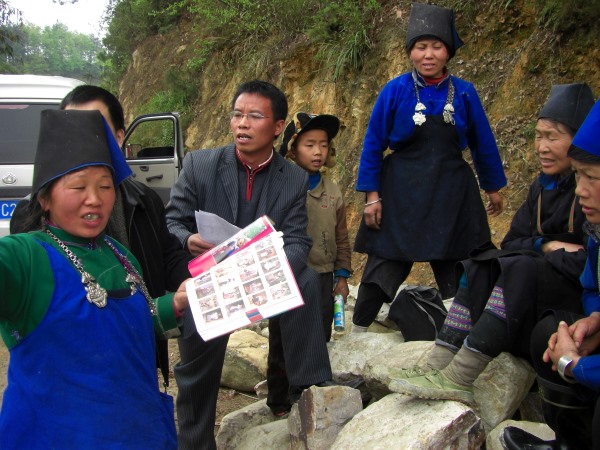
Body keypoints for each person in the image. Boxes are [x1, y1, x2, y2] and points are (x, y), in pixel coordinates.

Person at [389, 83, 595, 405]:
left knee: (521, 268)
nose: (541, 146)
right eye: (538, 135)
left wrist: (536, 253)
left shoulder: (590, 194)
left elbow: (588, 264)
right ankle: (438, 364)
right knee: (483, 261)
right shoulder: (539, 189)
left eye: (553, 136)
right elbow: (511, 242)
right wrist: (547, 246)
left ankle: (461, 376)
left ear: (580, 141)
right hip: (535, 293)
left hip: (571, 303)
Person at [0, 109, 190, 448]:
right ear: (44, 198)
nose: (95, 198)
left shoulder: (120, 253)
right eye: (78, 186)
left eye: (105, 186)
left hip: (138, 431)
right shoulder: (25, 255)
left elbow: (136, 323)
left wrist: (175, 302)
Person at [165, 80, 334, 449]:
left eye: (254, 116)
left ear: (276, 127)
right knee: (196, 371)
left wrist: (261, 268)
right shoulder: (201, 164)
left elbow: (298, 240)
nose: (242, 123)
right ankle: (195, 443)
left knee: (305, 276)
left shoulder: (293, 178)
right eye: (237, 115)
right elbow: (172, 222)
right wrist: (188, 239)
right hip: (211, 280)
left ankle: (310, 382)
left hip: (260, 276)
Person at [351, 2, 507, 333]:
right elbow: (373, 144)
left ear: (448, 52)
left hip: (451, 192)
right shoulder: (395, 90)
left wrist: (492, 188)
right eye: (421, 46)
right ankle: (359, 330)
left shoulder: (464, 93)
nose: (428, 54)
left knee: (457, 260)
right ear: (411, 51)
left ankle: (458, 332)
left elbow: (483, 142)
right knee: (386, 258)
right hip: (400, 192)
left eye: (436, 46)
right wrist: (372, 197)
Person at [502, 99, 600, 450]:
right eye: (578, 176)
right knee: (548, 330)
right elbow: (510, 242)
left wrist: (573, 366)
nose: (581, 190)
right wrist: (595, 319)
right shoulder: (541, 190)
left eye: (591, 177)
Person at [279, 112, 352, 341]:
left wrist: (341, 277)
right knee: (287, 332)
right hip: (289, 274)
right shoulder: (281, 188)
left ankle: (318, 375)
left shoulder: (333, 192)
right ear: (292, 149)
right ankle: (284, 376)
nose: (318, 151)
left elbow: (341, 237)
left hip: (323, 274)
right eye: (309, 145)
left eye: (323, 145)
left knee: (321, 327)